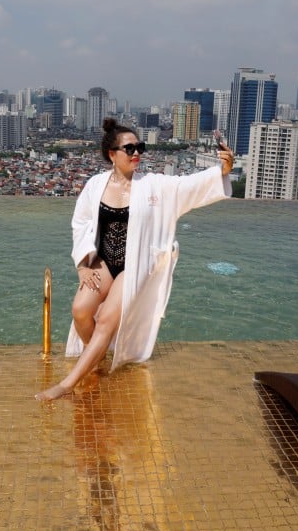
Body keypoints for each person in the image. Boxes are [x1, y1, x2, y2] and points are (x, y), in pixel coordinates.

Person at [36, 118, 234, 401]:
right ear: (111, 154)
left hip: (135, 265)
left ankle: (68, 383)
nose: (136, 153)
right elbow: (80, 224)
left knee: (105, 320)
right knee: (80, 311)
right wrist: (82, 266)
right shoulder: (95, 185)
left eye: (139, 147)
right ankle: (95, 359)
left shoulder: (154, 185)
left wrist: (222, 170)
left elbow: (189, 185)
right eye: (129, 149)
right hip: (103, 261)